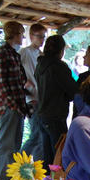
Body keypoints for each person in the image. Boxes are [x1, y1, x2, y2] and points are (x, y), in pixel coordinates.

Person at [0, 21, 31, 180]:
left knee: (14, 147)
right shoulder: (2, 53)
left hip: (17, 106)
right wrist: (14, 106)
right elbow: (1, 85)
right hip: (10, 108)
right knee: (6, 146)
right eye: (21, 33)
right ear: (14, 34)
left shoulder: (13, 54)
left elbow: (20, 82)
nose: (23, 37)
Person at [34, 34, 77, 167]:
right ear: (61, 50)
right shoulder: (59, 67)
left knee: (48, 156)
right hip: (56, 115)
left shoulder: (40, 65)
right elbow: (72, 91)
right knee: (60, 156)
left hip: (42, 114)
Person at [20, 23, 47, 160]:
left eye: (43, 37)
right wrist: (24, 82)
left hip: (42, 98)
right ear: (31, 36)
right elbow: (16, 70)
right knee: (36, 135)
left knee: (41, 136)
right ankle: (18, 161)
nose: (42, 40)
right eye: (39, 36)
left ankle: (38, 165)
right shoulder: (25, 52)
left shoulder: (42, 55)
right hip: (32, 98)